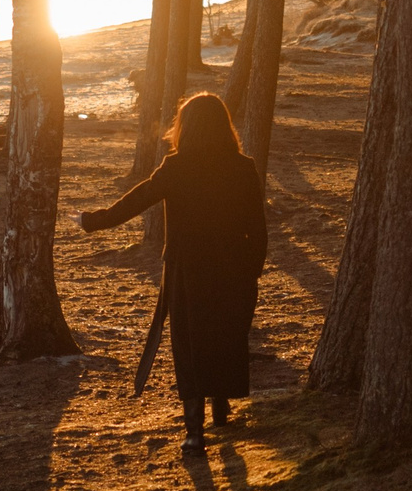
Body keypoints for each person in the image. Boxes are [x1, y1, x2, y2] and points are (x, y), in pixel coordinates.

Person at [77, 91, 269, 450]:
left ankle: (195, 433)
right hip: (233, 269)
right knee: (225, 335)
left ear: (187, 127)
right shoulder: (243, 167)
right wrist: (251, 271)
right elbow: (258, 228)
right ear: (223, 126)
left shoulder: (177, 167)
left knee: (190, 345)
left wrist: (92, 221)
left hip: (187, 271)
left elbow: (136, 200)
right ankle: (221, 410)